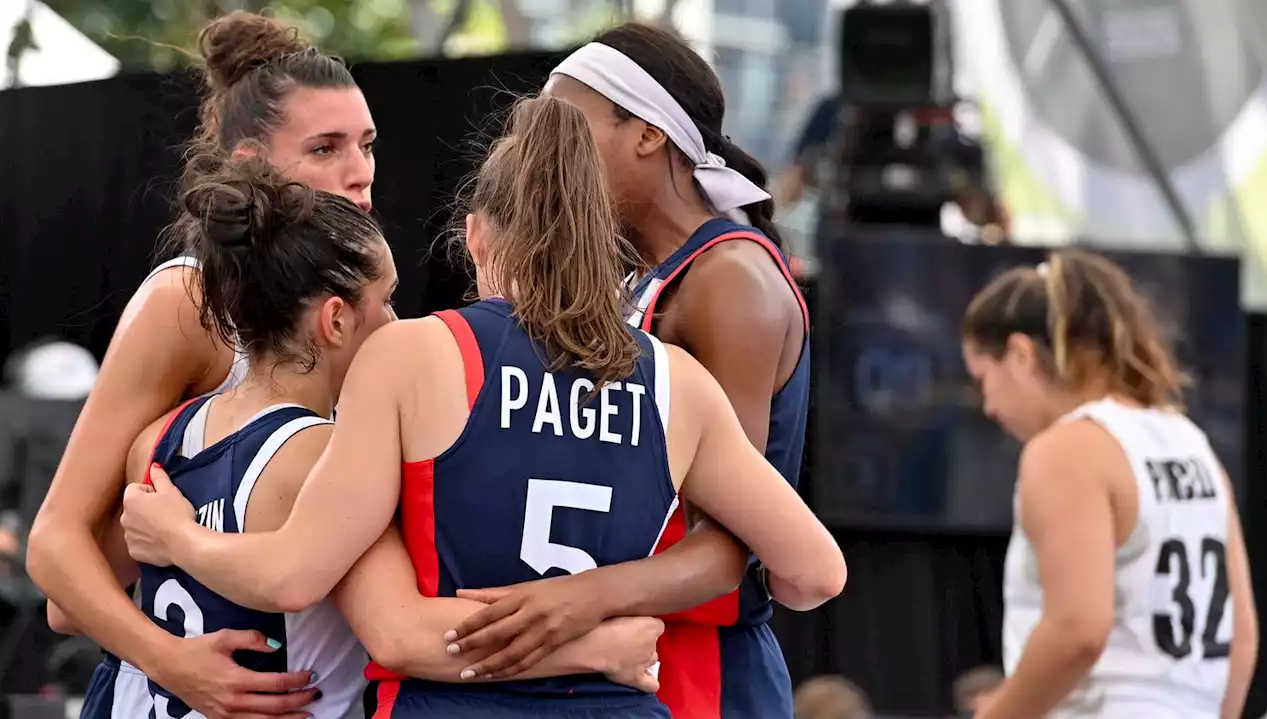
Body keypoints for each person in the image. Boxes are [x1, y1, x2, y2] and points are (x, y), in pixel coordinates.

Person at [118, 94, 846, 718]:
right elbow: (815, 573)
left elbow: (299, 578)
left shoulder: (414, 356)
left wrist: (180, 539)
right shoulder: (677, 381)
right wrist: (605, 603)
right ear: (605, 241)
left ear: (474, 236)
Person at [110, 153, 665, 718]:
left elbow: (74, 603)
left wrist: (173, 586)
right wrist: (593, 648)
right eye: (388, 300)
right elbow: (407, 634)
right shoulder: (325, 456)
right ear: (335, 320)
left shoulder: (156, 441)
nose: (397, 323)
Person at [445, 23, 813, 719]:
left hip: (706, 662)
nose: (543, 157)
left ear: (647, 134)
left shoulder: (729, 279)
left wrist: (577, 594)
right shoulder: (637, 280)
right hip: (630, 644)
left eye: (568, 127)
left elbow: (728, 545)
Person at [27, 10, 377, 717]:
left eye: (367, 143)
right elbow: (58, 548)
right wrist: (172, 661)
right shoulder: (189, 302)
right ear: (250, 165)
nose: (359, 171)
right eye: (325, 147)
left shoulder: (361, 306)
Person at [960, 250, 1258, 719]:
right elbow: (1240, 635)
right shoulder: (1193, 444)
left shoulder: (1068, 449)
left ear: (1020, 355)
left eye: (982, 379)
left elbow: (1078, 629)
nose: (988, 406)